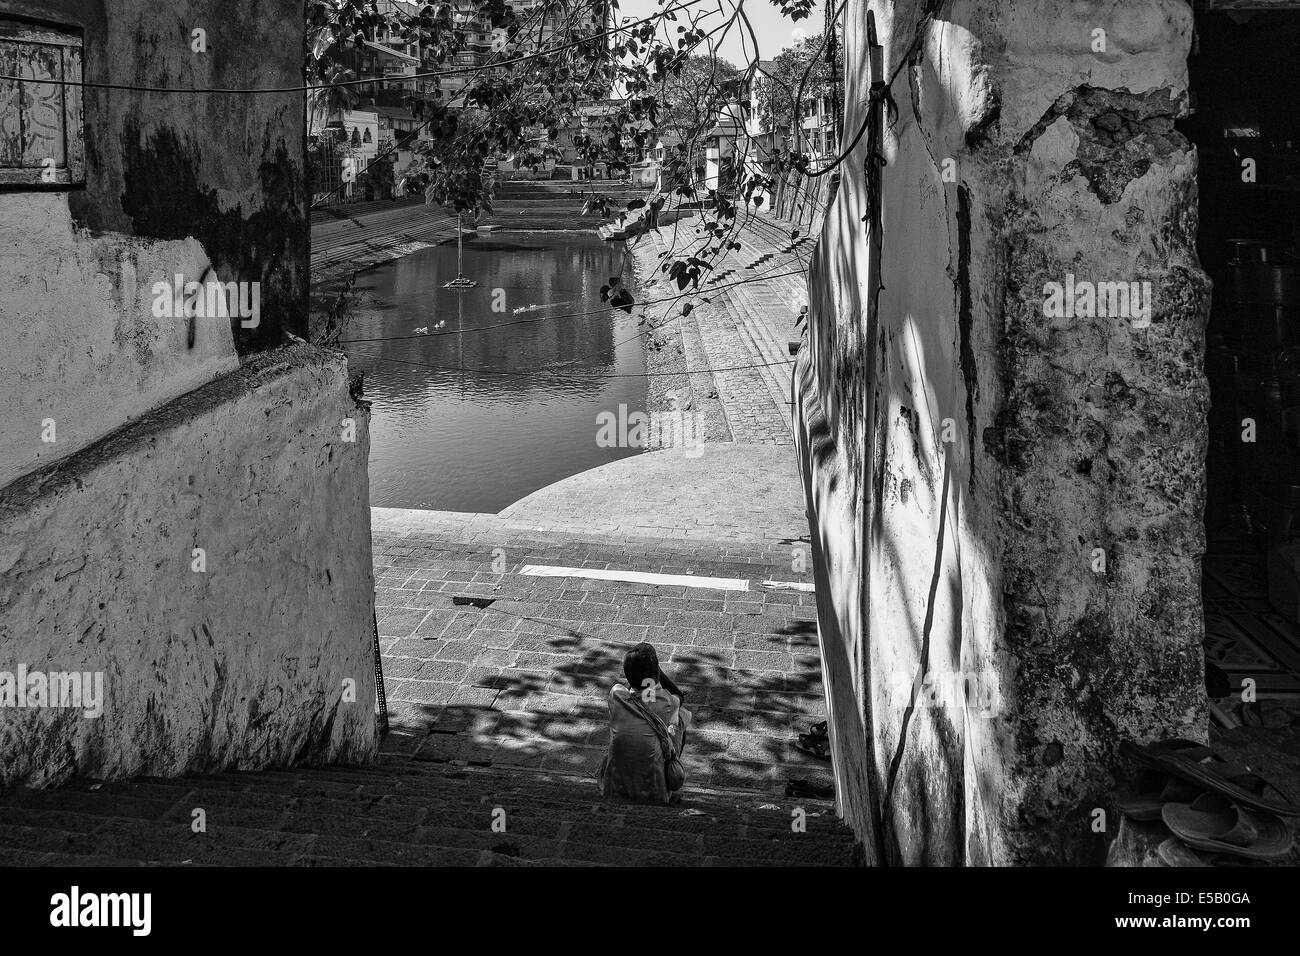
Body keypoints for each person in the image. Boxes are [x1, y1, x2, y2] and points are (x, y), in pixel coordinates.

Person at [599, 643, 692, 804]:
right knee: (681, 717)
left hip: (614, 789)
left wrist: (643, 675)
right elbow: (678, 696)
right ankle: (669, 780)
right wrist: (655, 672)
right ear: (656, 672)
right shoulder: (666, 701)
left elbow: (637, 693)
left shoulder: (616, 695)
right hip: (654, 794)